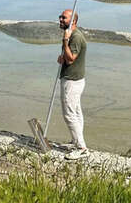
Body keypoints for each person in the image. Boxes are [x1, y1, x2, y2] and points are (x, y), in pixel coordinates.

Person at [57, 9, 88, 160]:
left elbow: (71, 60)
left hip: (72, 81)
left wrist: (65, 41)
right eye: (60, 17)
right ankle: (76, 141)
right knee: (76, 112)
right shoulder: (72, 35)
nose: (60, 19)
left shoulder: (74, 37)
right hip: (76, 79)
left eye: (64, 17)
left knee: (69, 114)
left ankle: (81, 148)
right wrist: (62, 56)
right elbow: (67, 57)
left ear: (73, 21)